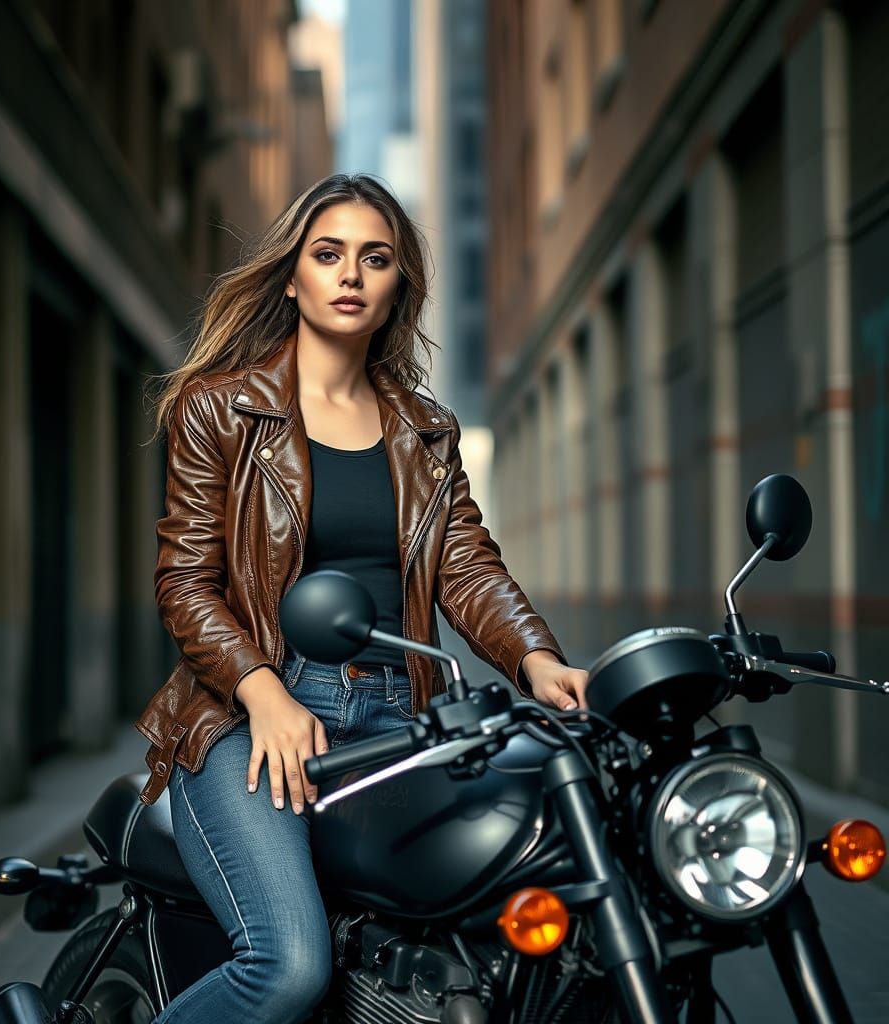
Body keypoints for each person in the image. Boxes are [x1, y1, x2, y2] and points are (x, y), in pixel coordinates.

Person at [134, 173, 588, 1023]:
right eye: (329, 254)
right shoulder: (220, 409)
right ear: (293, 276)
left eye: (374, 259)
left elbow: (465, 564)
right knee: (289, 965)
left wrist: (539, 660)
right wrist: (264, 693)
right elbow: (185, 582)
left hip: (400, 720)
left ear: (396, 288)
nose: (350, 274)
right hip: (249, 719)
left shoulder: (426, 428)